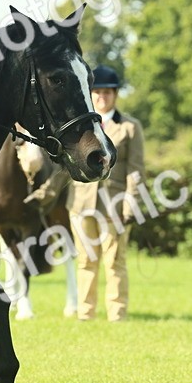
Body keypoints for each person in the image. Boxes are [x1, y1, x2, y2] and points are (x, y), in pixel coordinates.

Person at [64, 65, 145, 321]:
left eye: (107, 92)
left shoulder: (130, 127)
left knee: (114, 262)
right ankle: (86, 313)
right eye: (97, 92)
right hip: (81, 203)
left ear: (116, 94)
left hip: (115, 205)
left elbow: (136, 170)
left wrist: (131, 204)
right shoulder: (80, 126)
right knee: (86, 261)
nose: (102, 97)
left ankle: (117, 314)